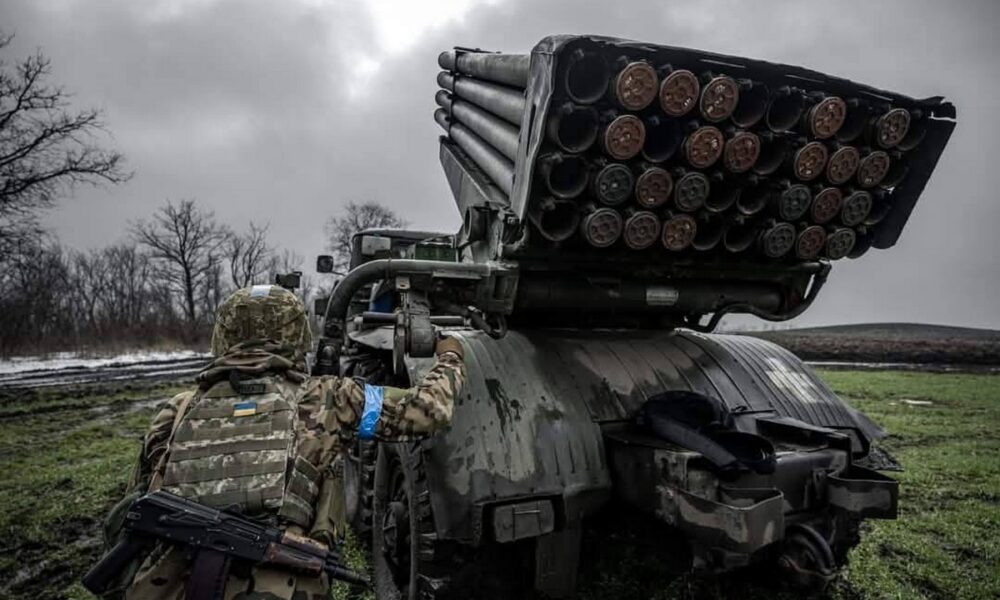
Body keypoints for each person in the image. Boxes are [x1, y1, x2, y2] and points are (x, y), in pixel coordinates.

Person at [100, 284, 465, 599]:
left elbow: (132, 507)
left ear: (223, 337)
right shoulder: (329, 400)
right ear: (297, 336)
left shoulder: (176, 410)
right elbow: (429, 409)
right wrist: (450, 355)